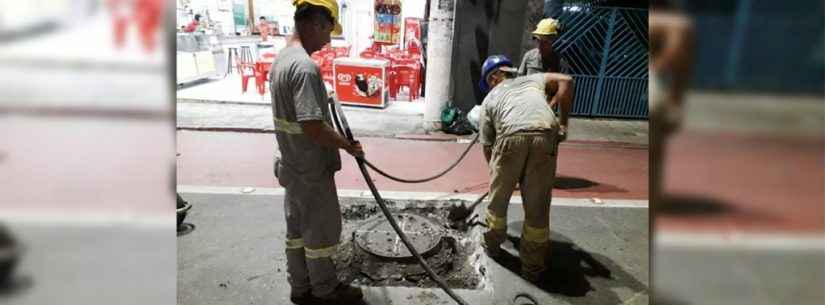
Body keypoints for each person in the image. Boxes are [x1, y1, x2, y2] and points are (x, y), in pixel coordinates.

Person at [268, 1, 363, 304]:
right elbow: (312, 126)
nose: (328, 40)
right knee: (319, 232)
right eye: (328, 31)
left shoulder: (282, 60)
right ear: (315, 23)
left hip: (292, 165)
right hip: (310, 169)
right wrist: (347, 146)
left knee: (296, 231)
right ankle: (324, 290)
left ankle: (301, 286)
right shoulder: (305, 68)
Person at [477, 55, 574, 282]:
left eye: (489, 80)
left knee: (498, 202)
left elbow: (487, 146)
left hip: (510, 136)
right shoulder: (535, 80)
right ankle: (532, 268)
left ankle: (492, 245)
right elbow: (567, 82)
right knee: (538, 207)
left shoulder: (490, 98)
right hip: (545, 133)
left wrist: (499, 176)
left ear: (493, 78)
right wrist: (563, 121)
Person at [648, 1, 694, 206]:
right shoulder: (676, 23)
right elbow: (681, 66)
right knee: (656, 152)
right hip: (656, 82)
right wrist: (676, 103)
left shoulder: (669, 23)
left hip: (654, 79)